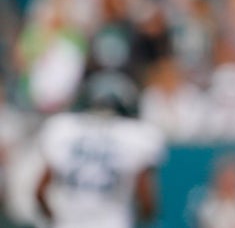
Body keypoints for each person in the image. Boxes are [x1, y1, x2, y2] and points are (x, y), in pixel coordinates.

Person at [34, 75, 165, 228]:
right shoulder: (137, 136)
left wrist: (54, 217)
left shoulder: (63, 129)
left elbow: (40, 191)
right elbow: (146, 200)